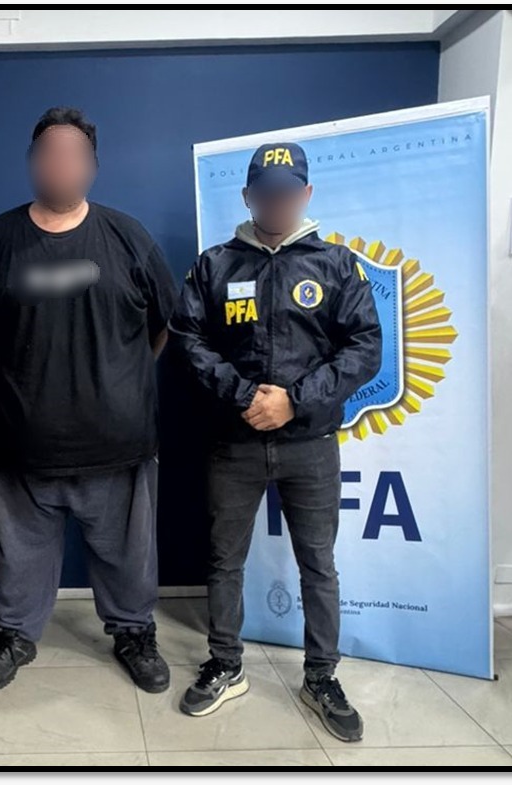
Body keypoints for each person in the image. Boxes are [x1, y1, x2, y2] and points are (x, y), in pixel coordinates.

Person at [0, 107, 179, 695]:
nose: (61, 164)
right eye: (49, 152)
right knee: (19, 558)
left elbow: (164, 324)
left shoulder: (128, 237)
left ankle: (133, 633)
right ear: (32, 162)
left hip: (117, 444)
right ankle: (15, 635)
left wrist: (121, 381)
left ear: (93, 165)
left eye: (74, 153)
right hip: (20, 443)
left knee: (128, 557)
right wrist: (10, 379)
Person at [169, 142, 381, 742]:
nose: (276, 202)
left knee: (318, 564)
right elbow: (187, 339)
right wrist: (244, 396)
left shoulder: (336, 264)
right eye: (265, 192)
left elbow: (365, 347)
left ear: (306, 194)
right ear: (247, 196)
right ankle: (226, 664)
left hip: (310, 441)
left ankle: (321, 676)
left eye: (288, 192)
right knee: (223, 560)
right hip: (232, 443)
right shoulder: (214, 265)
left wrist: (294, 400)